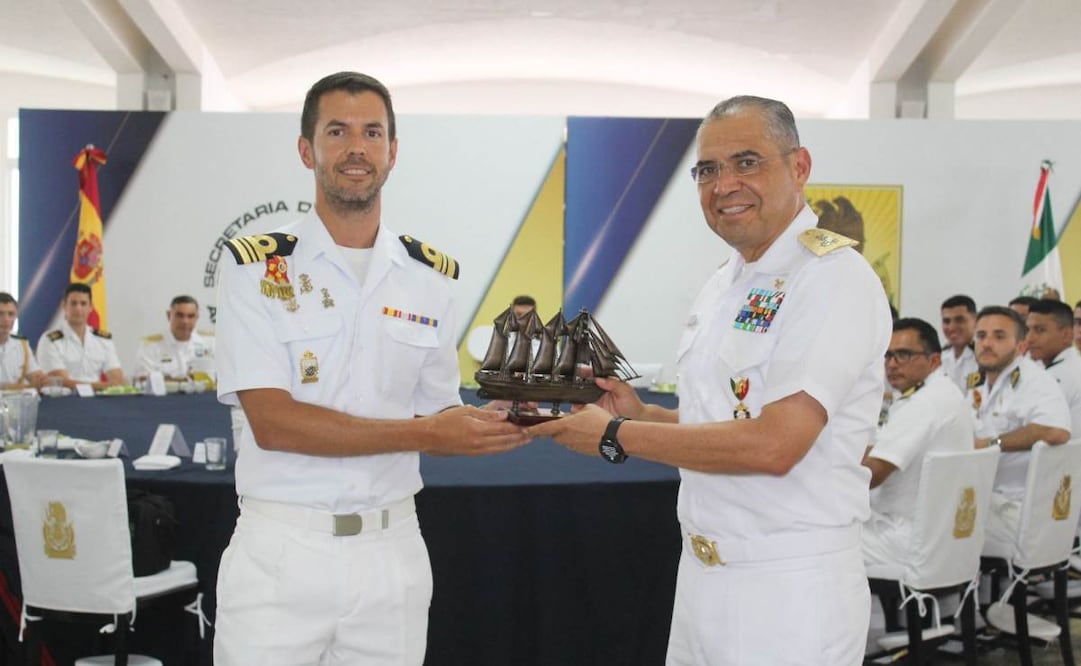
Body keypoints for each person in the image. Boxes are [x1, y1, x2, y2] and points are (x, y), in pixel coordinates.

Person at [532, 95, 891, 664]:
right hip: (702, 577)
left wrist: (614, 436)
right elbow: (728, 420)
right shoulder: (727, 282)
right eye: (707, 170)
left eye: (747, 162)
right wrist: (640, 414)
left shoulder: (832, 280)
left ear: (799, 167)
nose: (724, 184)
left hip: (787, 590)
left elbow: (777, 444)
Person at [213, 71, 530, 665]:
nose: (356, 148)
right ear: (307, 149)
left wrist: (504, 420)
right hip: (282, 553)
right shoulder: (255, 269)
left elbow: (438, 414)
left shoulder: (430, 279)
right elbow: (274, 423)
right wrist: (427, 432)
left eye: (372, 132)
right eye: (338, 131)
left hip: (392, 557)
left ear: (393, 152)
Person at [862, 318, 973, 569]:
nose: (892, 364)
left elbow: (871, 475)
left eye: (904, 355)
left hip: (906, 540)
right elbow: (879, 448)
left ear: (934, 360)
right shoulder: (943, 392)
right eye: (888, 355)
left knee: (817, 541)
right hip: (939, 535)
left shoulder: (924, 404)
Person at [967, 306, 1070, 547]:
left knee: (929, 521)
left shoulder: (1035, 381)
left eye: (999, 336)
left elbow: (1055, 431)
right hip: (987, 500)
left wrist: (991, 444)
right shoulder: (978, 384)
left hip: (1015, 510)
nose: (987, 343)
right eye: (981, 336)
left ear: (1021, 345)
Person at [35, 283, 125, 390]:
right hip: (64, 402)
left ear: (91, 307)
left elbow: (117, 378)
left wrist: (110, 385)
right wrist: (104, 386)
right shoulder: (50, 340)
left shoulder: (103, 339)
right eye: (73, 303)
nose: (78, 308)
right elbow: (62, 382)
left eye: (83, 304)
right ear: (64, 305)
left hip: (98, 402)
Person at [1025, 299, 1081, 441]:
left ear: (1066, 335)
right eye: (1028, 330)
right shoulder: (1050, 367)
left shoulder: (1066, 374)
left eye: (1039, 330)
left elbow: (1033, 428)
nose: (1029, 339)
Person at [134, 295, 215, 381]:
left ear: (197, 318)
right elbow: (141, 380)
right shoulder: (151, 345)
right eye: (180, 315)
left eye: (190, 316)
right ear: (169, 315)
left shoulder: (210, 342)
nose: (185, 321)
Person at [0, 292, 45, 389]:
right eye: (0, 314)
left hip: (18, 402)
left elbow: (34, 375)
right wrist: (25, 387)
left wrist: (40, 380)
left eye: (11, 314)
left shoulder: (21, 345)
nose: (6, 319)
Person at [940, 294, 978, 392]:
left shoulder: (984, 358)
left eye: (959, 320)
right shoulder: (939, 358)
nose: (952, 328)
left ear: (976, 321)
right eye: (946, 321)